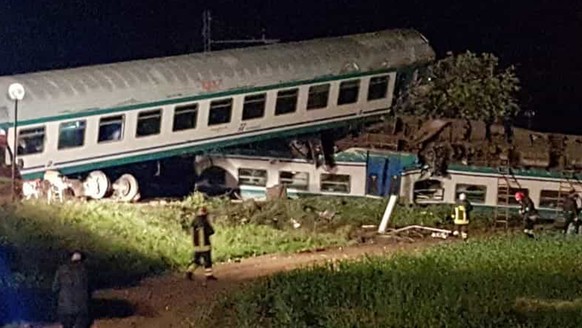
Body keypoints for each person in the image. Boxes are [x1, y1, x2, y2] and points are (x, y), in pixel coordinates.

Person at [52, 250, 92, 328]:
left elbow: (55, 288)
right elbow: (90, 288)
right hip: (81, 308)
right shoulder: (85, 271)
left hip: (64, 308)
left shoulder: (61, 270)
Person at [186, 206, 217, 282]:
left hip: (196, 246)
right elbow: (211, 231)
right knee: (207, 261)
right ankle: (209, 276)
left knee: (196, 261)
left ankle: (189, 272)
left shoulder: (194, 221)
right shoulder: (204, 222)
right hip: (205, 245)